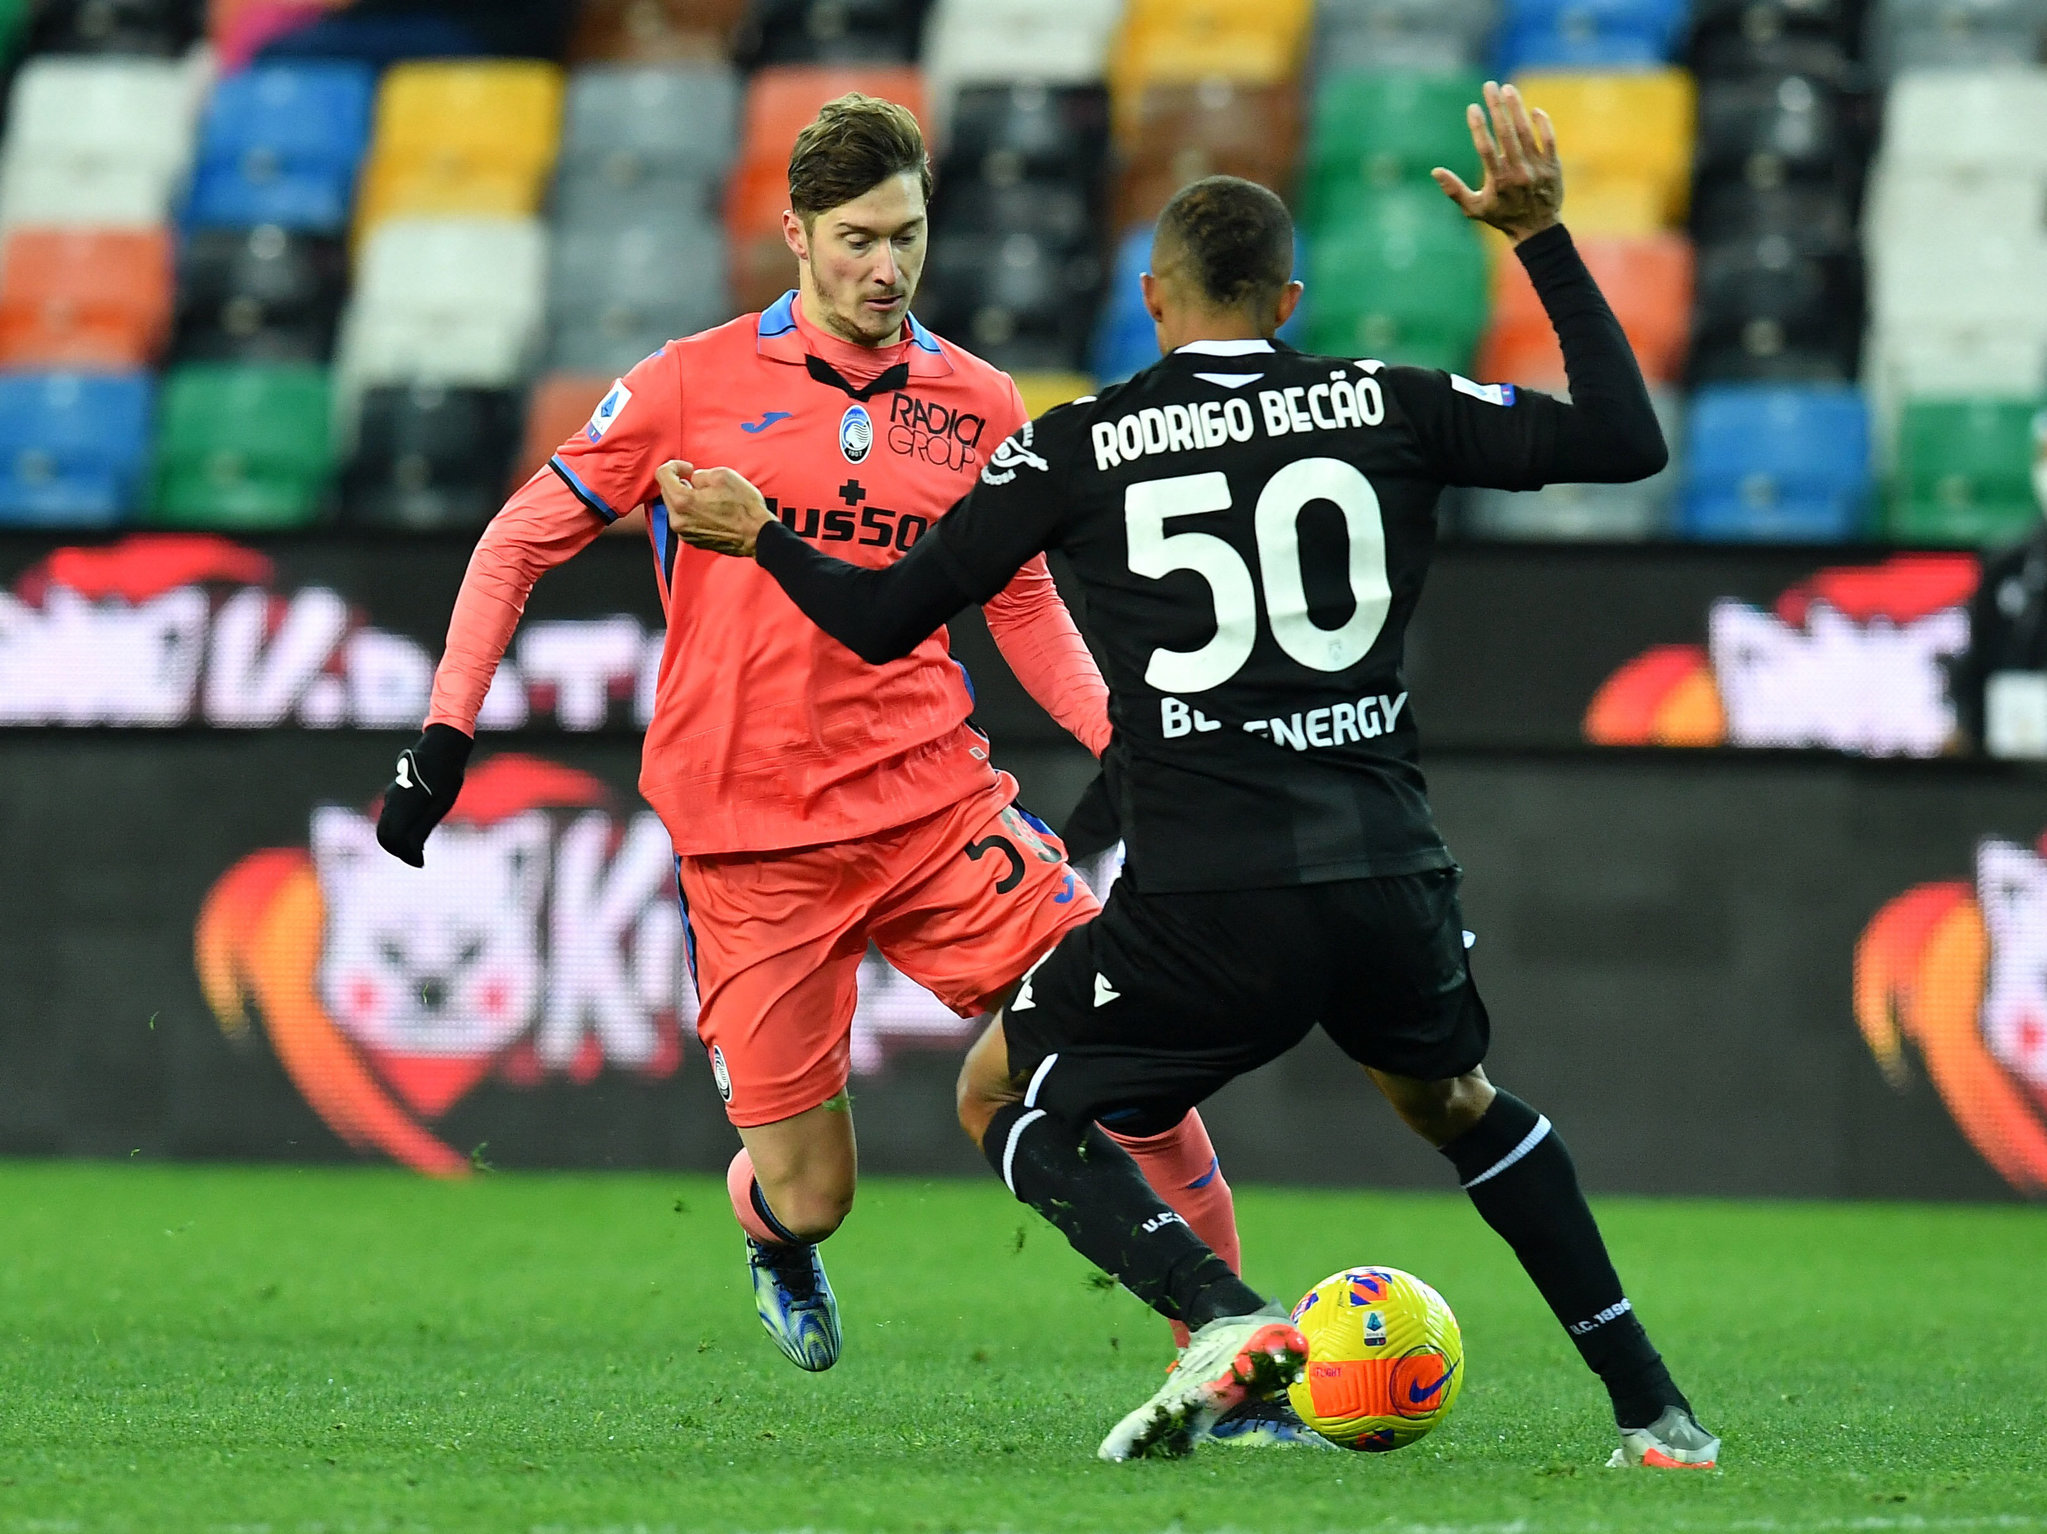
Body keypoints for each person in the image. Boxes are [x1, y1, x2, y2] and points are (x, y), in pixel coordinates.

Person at [659, 84, 1721, 1468]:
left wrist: (763, 537)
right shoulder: (1391, 404)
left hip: (1208, 895)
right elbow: (1625, 440)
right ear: (1289, 296)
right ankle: (1658, 1411)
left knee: (1005, 1095)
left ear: (1151, 303)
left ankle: (1222, 1316)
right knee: (1462, 1108)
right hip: (1389, 867)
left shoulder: (1077, 440)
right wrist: (1542, 238)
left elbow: (881, 620)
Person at [371, 92, 1249, 1385]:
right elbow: (517, 540)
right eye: (855, 239)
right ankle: (768, 1232)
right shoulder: (687, 386)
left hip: (939, 812)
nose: (886, 266)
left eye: (906, 235)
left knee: (1133, 1048)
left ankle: (1230, 1355)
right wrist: (446, 736)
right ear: (792, 231)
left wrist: (1146, 741)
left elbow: (1024, 611)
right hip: (753, 847)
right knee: (813, 1188)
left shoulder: (980, 400)